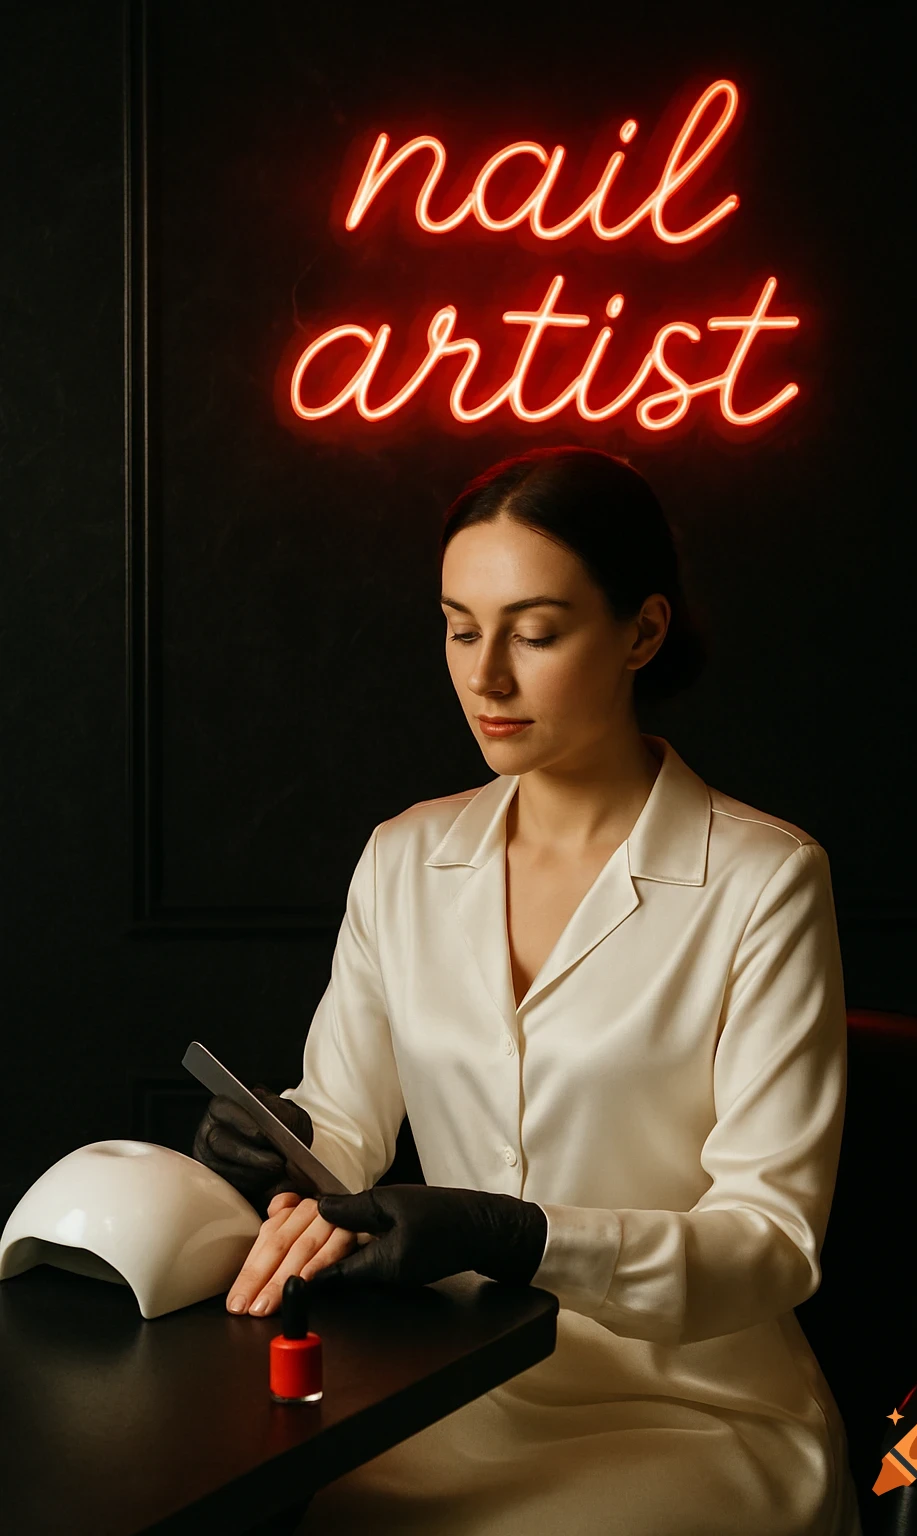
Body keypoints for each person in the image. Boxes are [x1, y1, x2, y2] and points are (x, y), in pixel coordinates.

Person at [193, 445, 863, 1536]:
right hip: (448, 1390)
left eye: (535, 633)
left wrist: (517, 1236)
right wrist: (280, 1140)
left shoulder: (764, 880)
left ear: (641, 633)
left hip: (691, 1410)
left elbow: (771, 1245)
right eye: (460, 628)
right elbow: (348, 1128)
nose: (484, 676)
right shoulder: (403, 858)